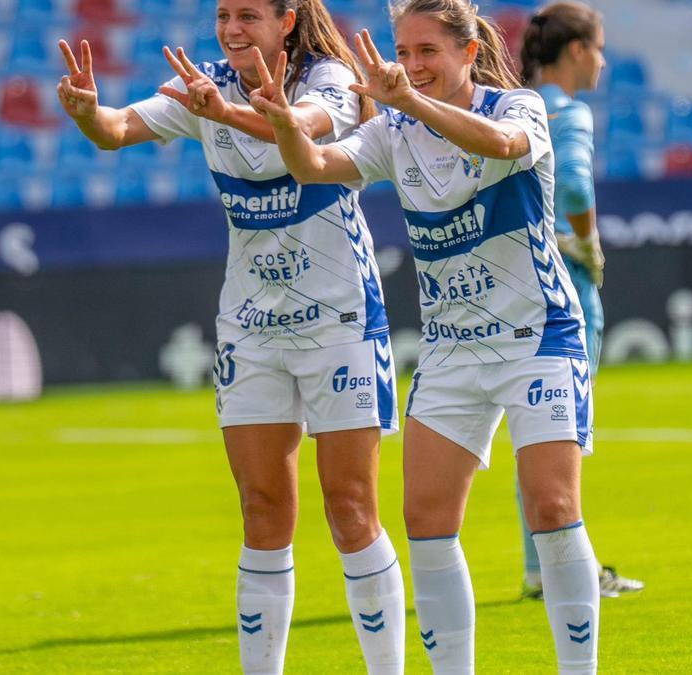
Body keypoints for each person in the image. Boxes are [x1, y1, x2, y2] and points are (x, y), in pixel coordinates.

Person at [55, 2, 407, 672]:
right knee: (262, 509)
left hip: (339, 322)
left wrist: (221, 111)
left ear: (287, 22)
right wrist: (85, 113)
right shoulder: (205, 82)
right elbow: (118, 128)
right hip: (250, 328)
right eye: (223, 14)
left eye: (249, 14)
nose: (231, 27)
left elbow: (303, 127)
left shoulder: (329, 77)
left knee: (351, 508)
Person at [250, 1, 601, 671]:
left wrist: (407, 100)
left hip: (539, 339)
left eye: (427, 52)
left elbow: (497, 148)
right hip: (450, 351)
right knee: (427, 522)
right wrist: (282, 124)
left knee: (553, 505)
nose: (410, 65)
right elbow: (313, 168)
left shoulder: (519, 108)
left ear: (469, 53)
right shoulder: (395, 133)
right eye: (402, 52)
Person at [517, 0, 643, 601]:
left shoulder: (511, 107)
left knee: (532, 432)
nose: (601, 60)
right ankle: (568, 569)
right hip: (564, 286)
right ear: (574, 52)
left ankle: (543, 567)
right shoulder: (567, 112)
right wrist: (589, 244)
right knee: (562, 434)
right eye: (596, 47)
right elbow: (571, 184)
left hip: (514, 287)